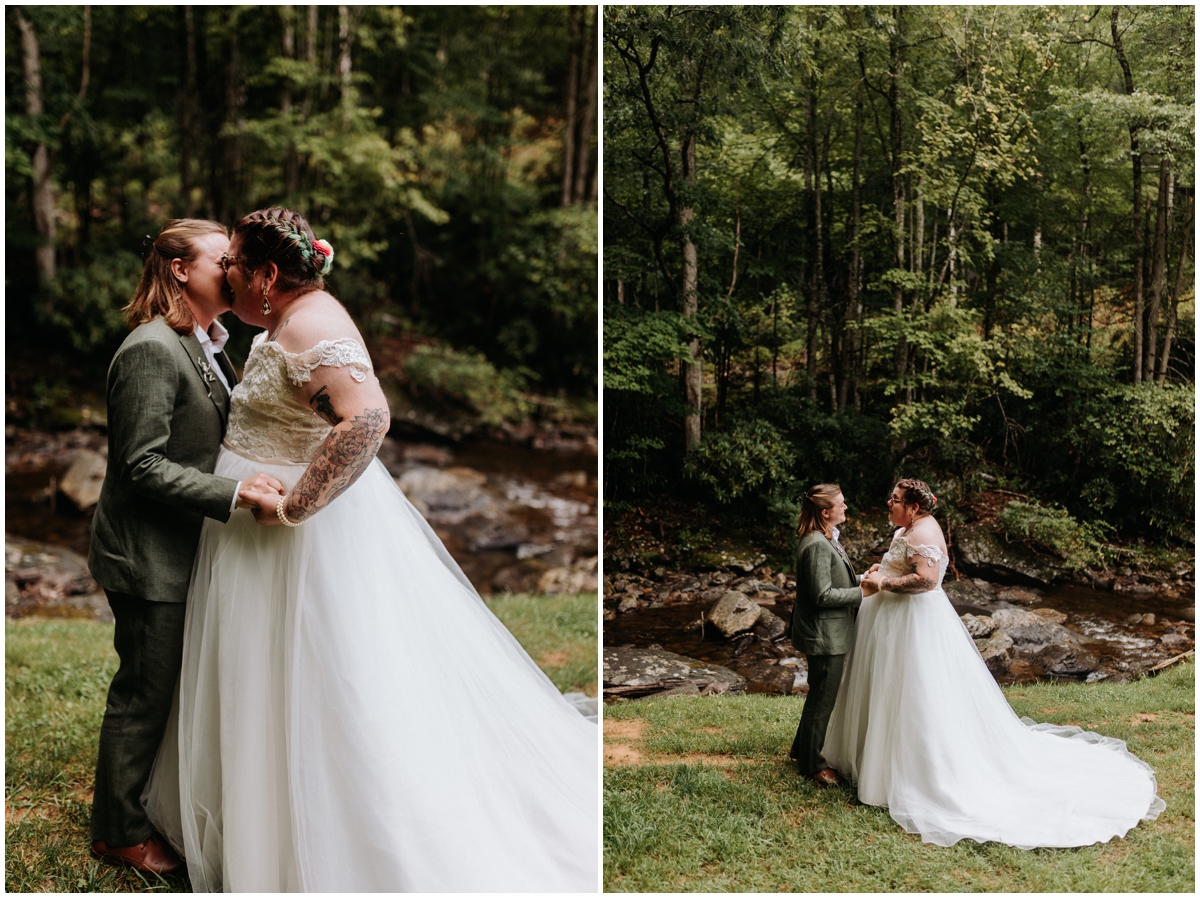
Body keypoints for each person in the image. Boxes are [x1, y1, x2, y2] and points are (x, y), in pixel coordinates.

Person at [142, 208, 598, 891]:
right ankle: (247, 817)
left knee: (319, 679)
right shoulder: (283, 319)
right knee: (256, 674)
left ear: (267, 275)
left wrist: (296, 506)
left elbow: (370, 418)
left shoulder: (312, 323)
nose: (226, 273)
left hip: (294, 544)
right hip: (247, 534)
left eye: (234, 264)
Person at [87, 219, 282, 875]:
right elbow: (139, 466)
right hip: (146, 554)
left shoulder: (208, 341)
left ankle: (150, 801)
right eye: (221, 258)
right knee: (145, 692)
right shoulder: (149, 350)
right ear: (178, 269)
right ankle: (118, 832)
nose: (233, 269)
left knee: (167, 687)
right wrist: (232, 497)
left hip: (185, 546)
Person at [824, 478, 1165, 848]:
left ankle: (916, 772)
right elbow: (904, 565)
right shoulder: (907, 527)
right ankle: (869, 756)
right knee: (885, 687)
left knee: (915, 692)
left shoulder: (923, 533)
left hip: (913, 625)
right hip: (892, 622)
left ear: (915, 507)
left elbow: (926, 581)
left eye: (894, 500)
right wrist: (884, 570)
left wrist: (885, 584)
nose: (888, 504)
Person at [787, 484, 878, 785]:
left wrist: (863, 577)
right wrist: (861, 592)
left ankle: (802, 749)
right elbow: (821, 596)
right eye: (841, 503)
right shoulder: (815, 544)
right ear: (826, 512)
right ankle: (813, 765)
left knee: (820, 694)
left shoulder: (827, 538)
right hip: (824, 635)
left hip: (829, 632)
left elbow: (832, 580)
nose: (846, 507)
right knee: (823, 698)